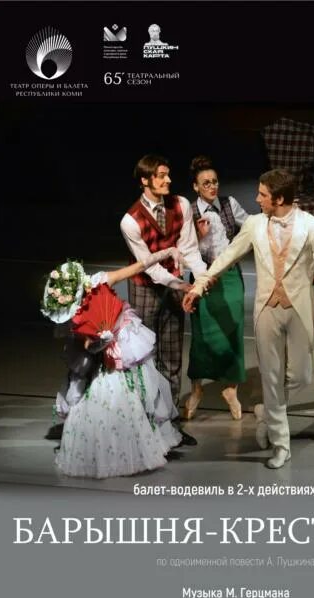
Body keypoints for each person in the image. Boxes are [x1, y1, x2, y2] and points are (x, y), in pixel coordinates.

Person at [183, 169, 314, 469]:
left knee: (303, 375)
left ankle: (266, 411)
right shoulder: (254, 225)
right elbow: (227, 256)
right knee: (271, 377)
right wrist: (200, 284)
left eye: (263, 195)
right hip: (267, 309)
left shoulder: (312, 226)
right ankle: (281, 445)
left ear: (279, 199)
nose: (257, 199)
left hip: (299, 309)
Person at [40, 250, 183, 478]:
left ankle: (149, 440)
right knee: (108, 400)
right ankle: (109, 453)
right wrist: (101, 343)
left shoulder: (99, 282)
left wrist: (166, 252)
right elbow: (87, 346)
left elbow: (138, 266)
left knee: (142, 391)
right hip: (102, 357)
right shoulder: (76, 318)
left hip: (123, 343)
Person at [120, 154, 207, 446]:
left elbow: (189, 248)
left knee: (171, 358)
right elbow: (150, 267)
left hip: (174, 286)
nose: (168, 180)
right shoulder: (130, 221)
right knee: (145, 359)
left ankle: (171, 426)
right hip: (146, 289)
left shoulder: (180, 204)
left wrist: (201, 278)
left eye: (167, 174)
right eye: (160, 176)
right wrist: (182, 285)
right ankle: (145, 426)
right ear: (145, 181)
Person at [184, 155, 249, 421]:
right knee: (202, 335)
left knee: (233, 329)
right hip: (203, 276)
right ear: (196, 187)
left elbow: (251, 226)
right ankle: (197, 389)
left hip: (230, 276)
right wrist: (198, 236)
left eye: (215, 182)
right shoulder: (189, 211)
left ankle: (231, 389)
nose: (212, 186)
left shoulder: (229, 204)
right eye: (206, 183)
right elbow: (183, 252)